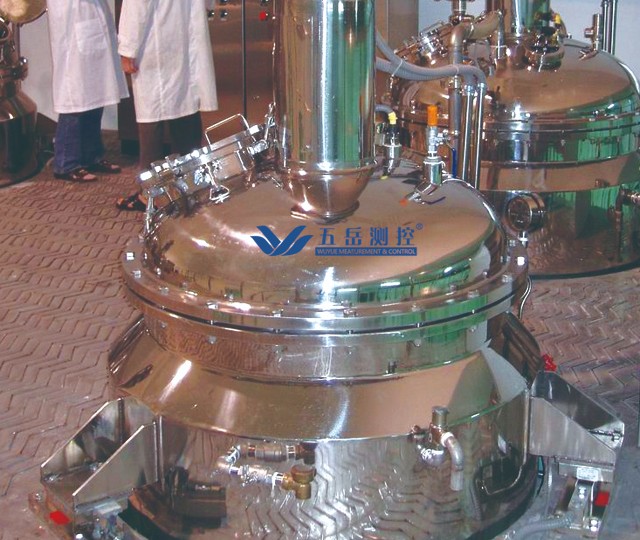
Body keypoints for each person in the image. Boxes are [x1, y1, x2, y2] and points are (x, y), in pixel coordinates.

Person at [115, 0, 218, 211]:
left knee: (152, 117)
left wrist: (127, 49)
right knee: (186, 108)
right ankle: (191, 186)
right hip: (186, 42)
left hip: (156, 44)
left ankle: (152, 195)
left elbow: (136, 7)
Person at [47, 1, 128, 182]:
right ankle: (66, 162)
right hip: (74, 22)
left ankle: (91, 156)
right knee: (75, 97)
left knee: (95, 93)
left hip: (91, 20)